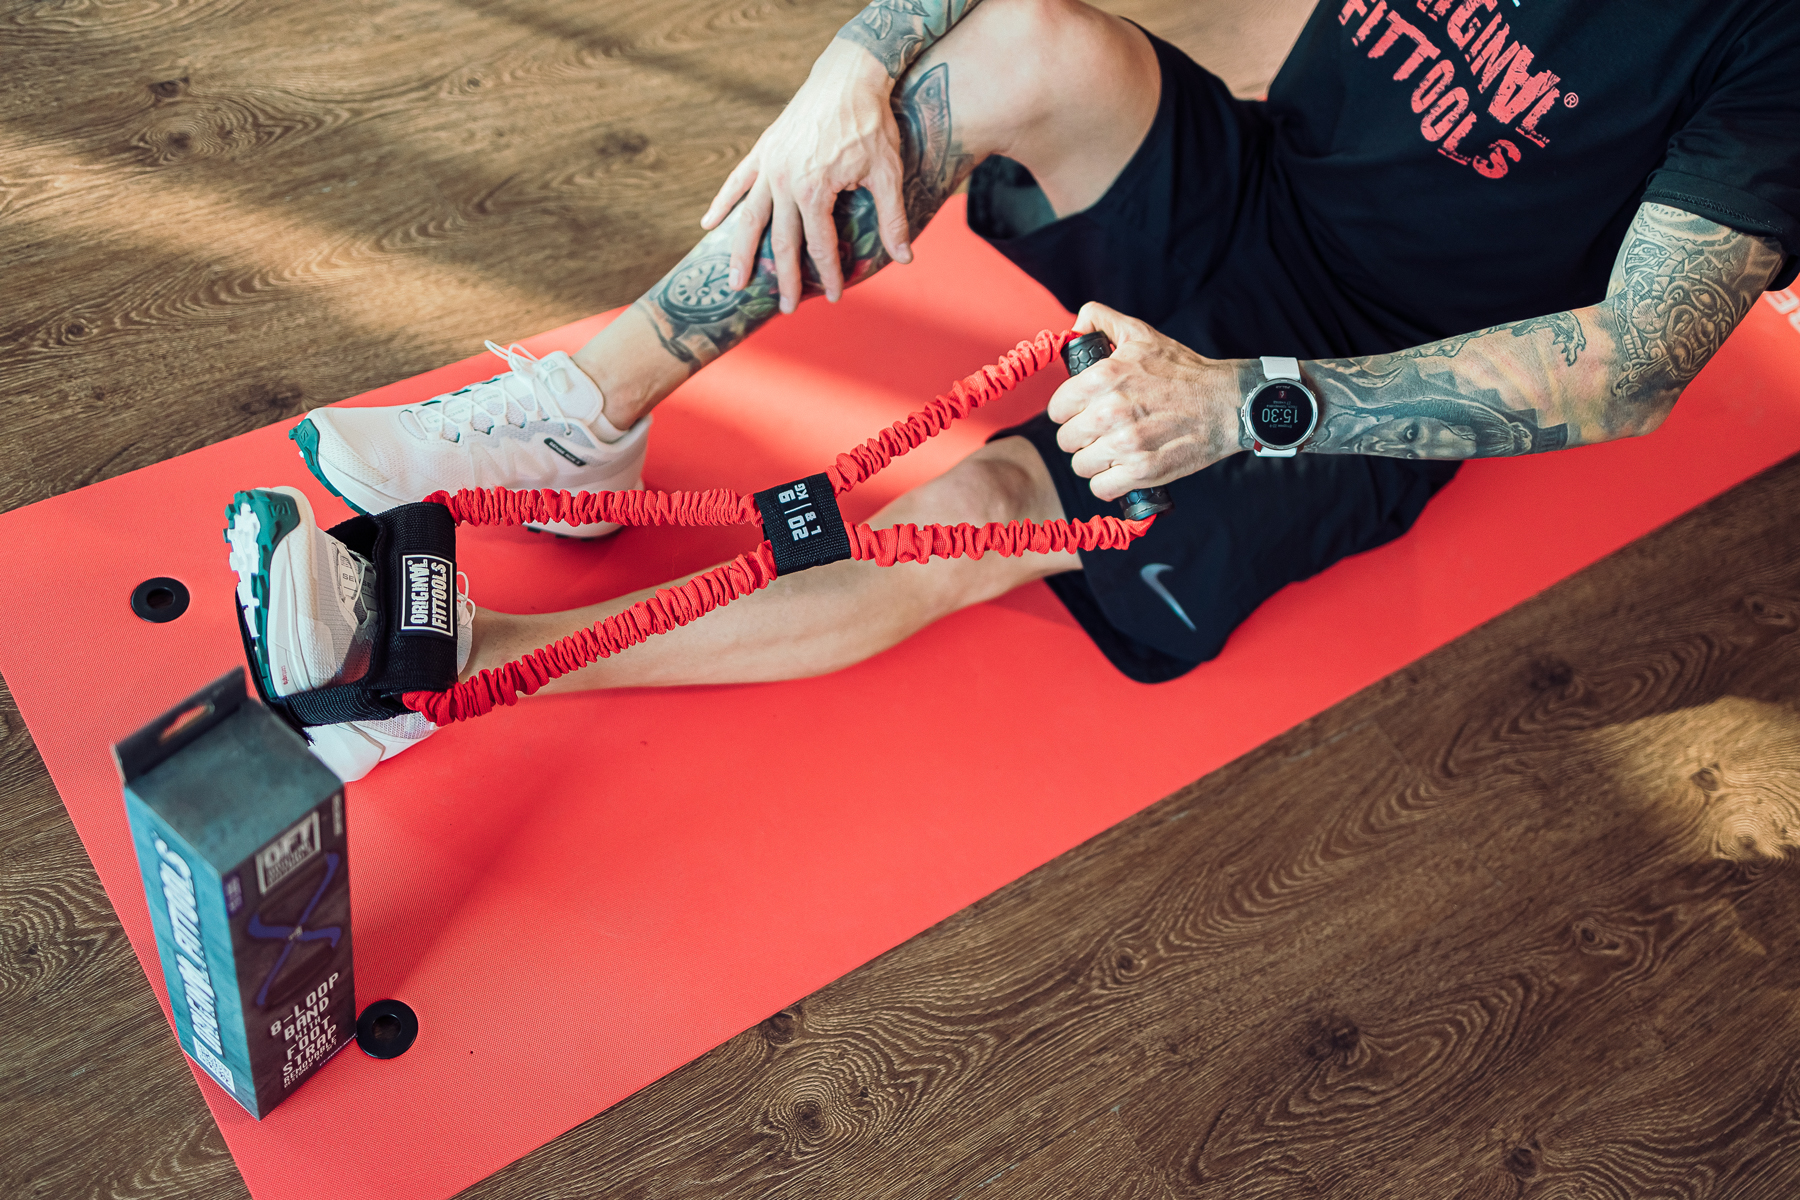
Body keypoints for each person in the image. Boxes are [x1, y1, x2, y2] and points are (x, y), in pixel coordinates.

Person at [228, 0, 1799, 780]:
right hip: (1258, 185)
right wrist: (861, 57)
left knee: (983, 504)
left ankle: (453, 672)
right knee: (1031, 37)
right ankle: (587, 416)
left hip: (1354, 378)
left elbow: (1634, 365)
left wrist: (1242, 404)